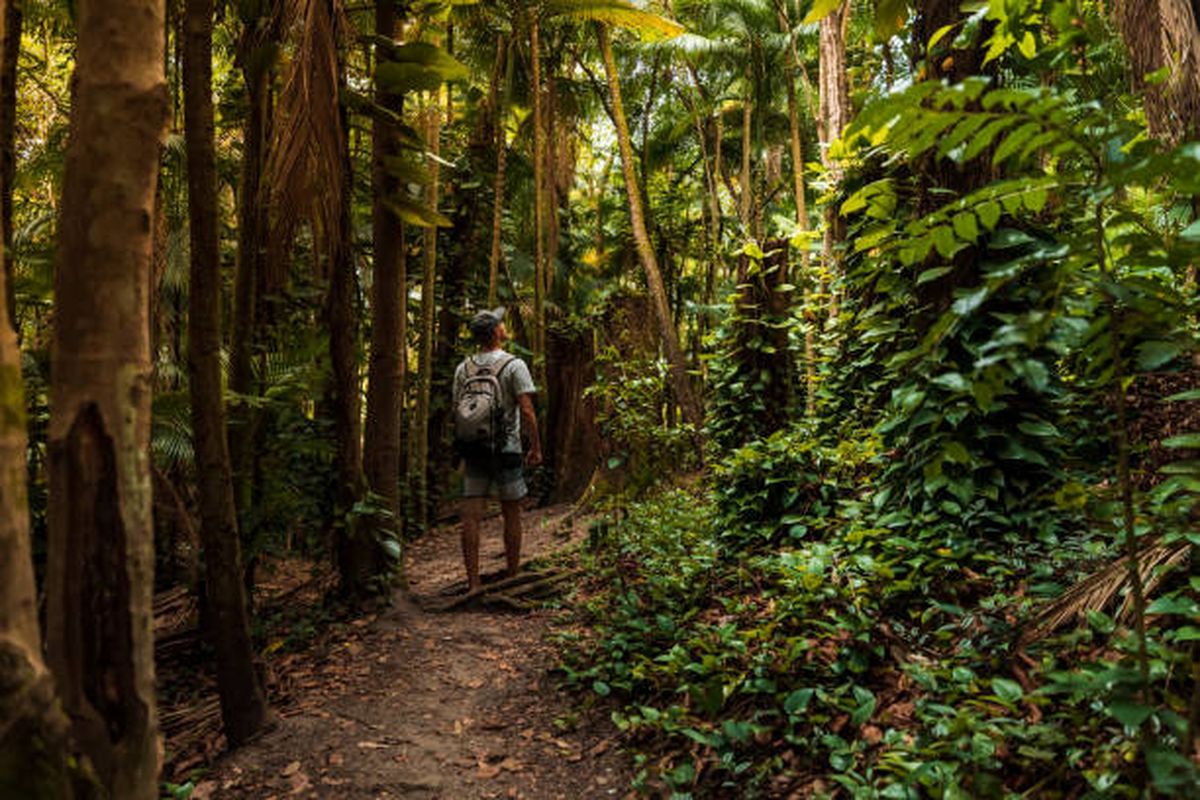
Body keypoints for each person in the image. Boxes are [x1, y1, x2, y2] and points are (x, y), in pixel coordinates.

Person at [453, 307, 542, 592]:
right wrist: (536, 447)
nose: (504, 325)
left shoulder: (463, 368)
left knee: (471, 515)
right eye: (500, 323)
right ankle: (513, 575)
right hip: (507, 448)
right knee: (511, 513)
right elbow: (527, 411)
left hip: (474, 448)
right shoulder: (514, 365)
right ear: (495, 332)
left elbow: (459, 409)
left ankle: (474, 584)